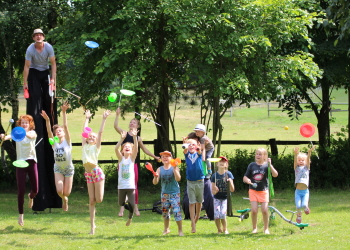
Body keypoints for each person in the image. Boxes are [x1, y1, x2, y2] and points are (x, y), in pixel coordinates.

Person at [23, 28, 60, 211]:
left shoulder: (48, 48)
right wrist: (24, 83)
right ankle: (37, 118)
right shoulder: (30, 49)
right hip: (34, 75)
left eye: (41, 35)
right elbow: (27, 67)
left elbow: (53, 64)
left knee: (48, 98)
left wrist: (53, 80)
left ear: (43, 37)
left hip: (45, 72)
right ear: (33, 38)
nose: (39, 37)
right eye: (36, 35)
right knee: (35, 96)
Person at [114, 107, 160, 216]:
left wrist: (155, 156)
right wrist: (117, 115)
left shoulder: (138, 138)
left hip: (132, 164)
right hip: (122, 163)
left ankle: (136, 209)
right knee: (122, 185)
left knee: (133, 186)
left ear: (138, 126)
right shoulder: (124, 133)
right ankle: (121, 210)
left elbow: (144, 150)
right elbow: (115, 126)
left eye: (134, 123)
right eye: (131, 122)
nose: (132, 123)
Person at [1, 115, 38, 226]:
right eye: (22, 122)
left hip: (31, 161)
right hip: (20, 163)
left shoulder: (33, 133)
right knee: (20, 190)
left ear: (30, 124)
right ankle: (21, 215)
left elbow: (30, 136)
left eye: (26, 123)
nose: (24, 124)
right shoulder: (16, 134)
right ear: (19, 124)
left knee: (35, 189)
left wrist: (19, 133)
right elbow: (6, 137)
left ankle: (31, 196)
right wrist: (3, 136)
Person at [41, 102, 73, 211]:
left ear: (64, 133)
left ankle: (66, 198)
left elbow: (65, 126)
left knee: (67, 192)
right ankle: (65, 200)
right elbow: (49, 132)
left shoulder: (68, 142)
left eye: (60, 130)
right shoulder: (54, 144)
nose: (58, 132)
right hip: (58, 168)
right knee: (59, 191)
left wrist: (63, 112)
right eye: (56, 131)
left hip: (68, 168)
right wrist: (47, 120)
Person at [82, 109, 111, 235]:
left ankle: (103, 180)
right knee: (92, 200)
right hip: (88, 173)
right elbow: (84, 132)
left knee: (99, 199)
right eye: (90, 136)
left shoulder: (96, 147)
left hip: (97, 173)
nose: (91, 137)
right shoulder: (84, 145)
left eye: (94, 137)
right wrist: (87, 118)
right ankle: (92, 226)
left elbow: (100, 132)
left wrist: (104, 119)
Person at [243, 148, 278, 234]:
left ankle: (266, 229)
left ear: (265, 156)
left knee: (264, 210)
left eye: (260, 154)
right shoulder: (251, 165)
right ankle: (254, 228)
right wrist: (247, 180)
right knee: (254, 210)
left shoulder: (266, 165)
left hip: (264, 191)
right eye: (257, 154)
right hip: (253, 191)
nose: (257, 156)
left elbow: (275, 175)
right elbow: (245, 177)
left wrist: (270, 165)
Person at [152, 151, 184, 236]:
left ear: (171, 158)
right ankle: (166, 230)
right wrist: (155, 177)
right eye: (163, 157)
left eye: (167, 156)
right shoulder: (159, 169)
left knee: (177, 212)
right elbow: (155, 183)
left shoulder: (175, 167)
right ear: (161, 159)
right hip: (164, 194)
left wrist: (174, 169)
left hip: (175, 193)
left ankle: (180, 231)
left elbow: (178, 179)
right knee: (165, 213)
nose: (165, 158)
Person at [115, 129, 138, 226]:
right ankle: (124, 203)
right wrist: (122, 139)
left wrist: (134, 137)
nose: (127, 147)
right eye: (125, 147)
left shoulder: (132, 159)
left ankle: (129, 218)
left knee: (132, 204)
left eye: (129, 147)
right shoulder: (121, 159)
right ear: (123, 150)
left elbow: (136, 147)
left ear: (132, 151)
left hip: (130, 186)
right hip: (121, 186)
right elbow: (116, 149)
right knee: (121, 203)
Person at [183, 139, 204, 233]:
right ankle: (193, 223)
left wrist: (198, 147)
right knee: (191, 202)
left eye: (193, 144)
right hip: (190, 182)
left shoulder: (199, 154)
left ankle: (197, 217)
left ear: (197, 145)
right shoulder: (187, 155)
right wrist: (184, 144)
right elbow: (184, 150)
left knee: (199, 202)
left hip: (200, 181)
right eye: (189, 145)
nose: (191, 146)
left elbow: (200, 151)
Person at [210, 156, 234, 234]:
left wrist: (230, 182)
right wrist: (215, 191)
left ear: (226, 165)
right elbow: (212, 192)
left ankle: (225, 229)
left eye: (224, 161)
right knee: (217, 215)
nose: (221, 162)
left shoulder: (228, 174)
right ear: (217, 164)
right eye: (220, 161)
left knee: (222, 214)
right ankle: (219, 230)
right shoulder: (214, 176)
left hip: (225, 198)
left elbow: (232, 189)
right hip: (216, 198)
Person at [293, 146, 315, 224]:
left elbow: (308, 160)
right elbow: (295, 162)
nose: (301, 161)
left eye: (303, 160)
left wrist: (309, 152)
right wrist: (295, 154)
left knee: (304, 205)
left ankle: (306, 208)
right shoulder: (296, 168)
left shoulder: (307, 168)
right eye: (299, 160)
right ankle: (299, 216)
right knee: (298, 206)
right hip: (298, 192)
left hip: (305, 192)